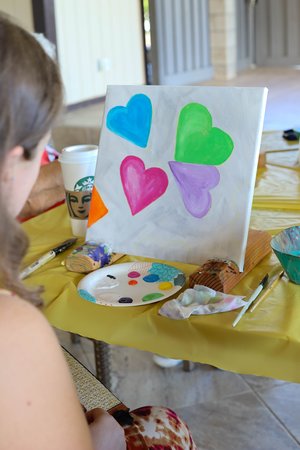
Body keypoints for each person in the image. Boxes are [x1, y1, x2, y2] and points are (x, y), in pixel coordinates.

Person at [0, 14, 196, 450]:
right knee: (166, 426)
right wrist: (103, 440)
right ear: (14, 159)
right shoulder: (12, 330)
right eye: (40, 151)